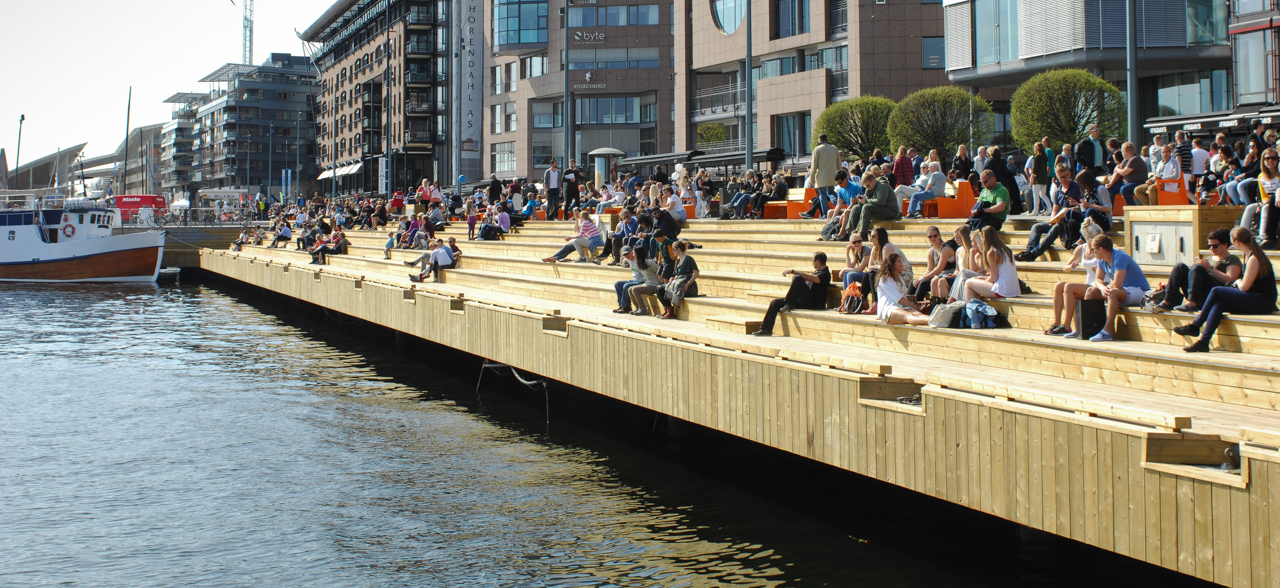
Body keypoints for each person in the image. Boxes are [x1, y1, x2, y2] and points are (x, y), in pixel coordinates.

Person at [1175, 227, 1278, 352]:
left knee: (1216, 291)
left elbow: (1244, 286)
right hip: (1254, 298)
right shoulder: (1248, 255)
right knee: (1219, 304)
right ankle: (1203, 342)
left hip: (1263, 302)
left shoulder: (1254, 258)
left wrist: (1237, 282)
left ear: (1237, 242)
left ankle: (1195, 325)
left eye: (1233, 242)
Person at [1053, 235, 1149, 341]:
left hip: (1139, 291)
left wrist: (1106, 288)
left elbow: (1117, 284)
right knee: (1091, 291)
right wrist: (1103, 288)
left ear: (1101, 249)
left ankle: (1107, 331)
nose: (1092, 251)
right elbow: (1098, 279)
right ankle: (1083, 328)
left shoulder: (1119, 257)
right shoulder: (1101, 260)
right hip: (1123, 291)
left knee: (1112, 292)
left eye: (1093, 249)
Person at [1154, 228, 1243, 313]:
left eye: (1215, 246)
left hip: (1215, 295)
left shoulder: (1232, 260)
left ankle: (1192, 303)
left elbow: (1229, 280)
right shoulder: (1208, 259)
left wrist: (1210, 269)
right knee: (1180, 267)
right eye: (1209, 246)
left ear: (1225, 245)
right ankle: (1168, 300)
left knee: (1197, 268)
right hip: (1199, 293)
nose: (1211, 248)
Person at [752, 252, 832, 336]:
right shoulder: (816, 272)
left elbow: (814, 279)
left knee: (797, 277)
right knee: (775, 302)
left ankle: (789, 304)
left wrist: (794, 272)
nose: (812, 263)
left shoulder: (825, 274)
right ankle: (765, 329)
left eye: (813, 261)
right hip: (803, 301)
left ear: (818, 262)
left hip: (813, 304)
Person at [962, 226, 1019, 301]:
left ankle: (971, 310)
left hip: (1003, 290)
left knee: (968, 283)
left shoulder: (992, 252)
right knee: (975, 281)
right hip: (1014, 290)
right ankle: (976, 309)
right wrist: (983, 278)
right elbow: (998, 275)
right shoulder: (1007, 249)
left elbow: (993, 278)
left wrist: (984, 281)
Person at [1240, 147, 1280, 249]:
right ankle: (1241, 236)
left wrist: (1265, 205)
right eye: (1267, 158)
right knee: (1250, 207)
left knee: (1266, 208)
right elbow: (1264, 196)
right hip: (1267, 201)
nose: (1270, 161)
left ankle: (1263, 236)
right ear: (1263, 161)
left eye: (1273, 158)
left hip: (1276, 202)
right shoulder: (1261, 176)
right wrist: (1262, 204)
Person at [846, 172, 901, 242]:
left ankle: (862, 234)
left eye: (868, 185)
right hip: (879, 209)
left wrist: (865, 201)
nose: (867, 188)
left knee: (867, 207)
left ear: (873, 181)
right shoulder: (871, 187)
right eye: (865, 186)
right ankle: (850, 233)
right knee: (856, 208)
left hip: (890, 211)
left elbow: (881, 201)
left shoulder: (883, 186)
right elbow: (867, 203)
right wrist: (861, 201)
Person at [877, 253, 931, 325]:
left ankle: (933, 320)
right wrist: (914, 306)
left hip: (902, 306)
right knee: (909, 316)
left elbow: (904, 295)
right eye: (899, 261)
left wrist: (916, 308)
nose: (901, 264)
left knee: (918, 314)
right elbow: (899, 298)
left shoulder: (899, 277)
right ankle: (932, 321)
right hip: (889, 308)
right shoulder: (885, 279)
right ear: (892, 264)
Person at [911, 225, 957, 301]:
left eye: (935, 236)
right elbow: (929, 269)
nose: (933, 238)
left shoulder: (945, 249)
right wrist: (919, 278)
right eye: (930, 237)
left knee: (923, 283)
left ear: (939, 236)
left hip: (949, 275)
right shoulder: (931, 251)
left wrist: (922, 278)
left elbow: (939, 269)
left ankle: (918, 305)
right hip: (940, 275)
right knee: (913, 283)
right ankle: (910, 304)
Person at [656, 240, 699, 319]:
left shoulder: (688, 259)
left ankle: (670, 312)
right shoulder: (678, 260)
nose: (672, 251)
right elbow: (677, 274)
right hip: (679, 282)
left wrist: (687, 284)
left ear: (678, 249)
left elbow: (696, 273)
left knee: (661, 289)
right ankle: (668, 310)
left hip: (688, 286)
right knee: (659, 288)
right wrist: (673, 277)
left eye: (673, 249)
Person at [801, 134, 840, 218]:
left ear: (819, 139)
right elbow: (838, 163)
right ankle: (838, 209)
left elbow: (814, 166)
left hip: (821, 177)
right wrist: (839, 175)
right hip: (833, 176)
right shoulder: (834, 148)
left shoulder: (817, 149)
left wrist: (812, 177)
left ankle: (826, 214)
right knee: (831, 193)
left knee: (822, 195)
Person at [612, 245, 659, 313]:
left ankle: (627, 307)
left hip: (644, 282)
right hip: (637, 280)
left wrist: (661, 283)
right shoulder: (631, 260)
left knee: (628, 286)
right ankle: (624, 306)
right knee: (618, 284)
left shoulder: (647, 262)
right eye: (624, 254)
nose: (626, 256)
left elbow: (659, 271)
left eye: (627, 253)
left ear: (632, 252)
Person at [1029, 142, 1051, 216]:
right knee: (1043, 194)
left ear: (1039, 148)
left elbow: (1034, 170)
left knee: (1035, 195)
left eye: (1035, 147)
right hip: (1044, 179)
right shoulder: (1044, 157)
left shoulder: (1037, 156)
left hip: (1037, 179)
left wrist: (1031, 179)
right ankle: (1050, 208)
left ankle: (1036, 210)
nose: (1034, 148)